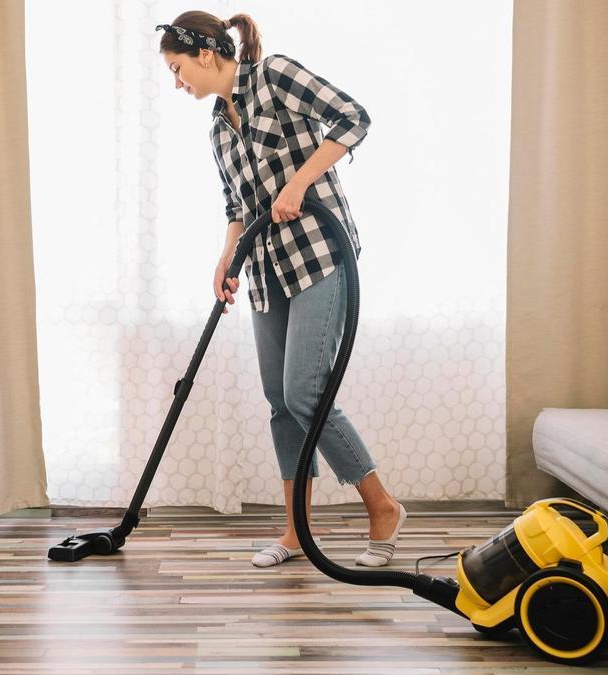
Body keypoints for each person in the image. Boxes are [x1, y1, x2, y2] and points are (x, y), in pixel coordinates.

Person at [157, 12, 406, 568]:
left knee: (304, 393)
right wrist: (225, 256)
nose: (178, 84)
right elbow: (237, 206)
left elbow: (352, 117)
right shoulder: (219, 127)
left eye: (177, 70)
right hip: (267, 272)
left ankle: (382, 506)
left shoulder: (276, 76)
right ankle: (296, 532)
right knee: (280, 405)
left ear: (205, 55)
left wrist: (299, 182)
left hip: (320, 255)